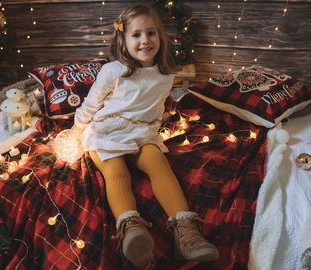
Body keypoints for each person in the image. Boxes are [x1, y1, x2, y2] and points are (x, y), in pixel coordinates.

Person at [72, 3, 219, 267]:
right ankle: (131, 228)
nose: (145, 41)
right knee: (116, 172)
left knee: (159, 165)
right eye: (136, 35)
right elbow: (90, 106)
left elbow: (156, 105)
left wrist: (154, 127)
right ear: (123, 39)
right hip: (105, 132)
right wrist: (76, 131)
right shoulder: (113, 72)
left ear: (160, 36)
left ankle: (187, 233)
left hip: (142, 132)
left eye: (151, 33)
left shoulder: (166, 73)